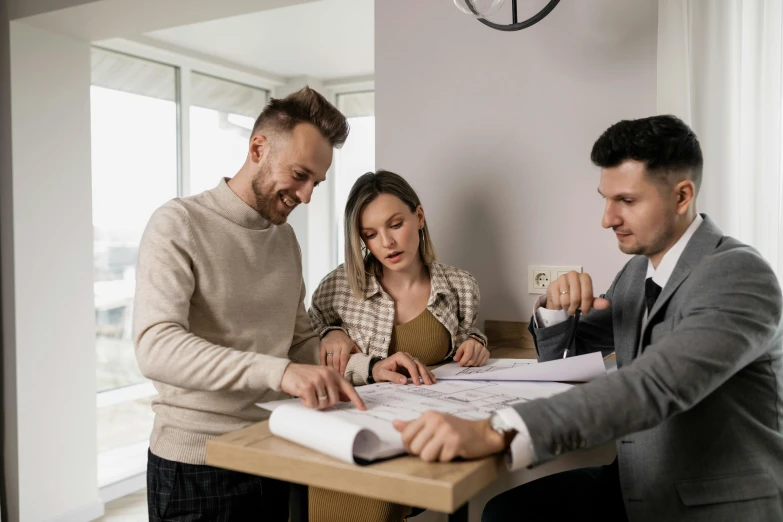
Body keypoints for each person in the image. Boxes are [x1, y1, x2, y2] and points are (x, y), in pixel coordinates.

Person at [393, 115, 783, 522]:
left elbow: (652, 386)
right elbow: (572, 355)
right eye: (606, 198)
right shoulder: (636, 274)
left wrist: (496, 430)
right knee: (504, 513)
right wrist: (555, 306)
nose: (607, 218)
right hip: (633, 483)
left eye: (627, 201)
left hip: (707, 501)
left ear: (682, 196)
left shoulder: (738, 275)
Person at [133, 86, 365, 522]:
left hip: (270, 451)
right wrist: (279, 371)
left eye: (316, 182)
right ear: (258, 148)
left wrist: (366, 367)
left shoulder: (285, 240)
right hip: (194, 465)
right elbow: (156, 346)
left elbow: (297, 343)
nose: (307, 195)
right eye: (300, 175)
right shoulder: (178, 224)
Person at [307, 170, 490, 521]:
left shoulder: (461, 286)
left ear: (418, 217)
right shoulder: (339, 287)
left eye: (395, 224)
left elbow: (466, 337)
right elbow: (305, 348)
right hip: (353, 428)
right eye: (370, 234)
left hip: (423, 429)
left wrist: (478, 344)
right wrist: (328, 333)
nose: (387, 243)